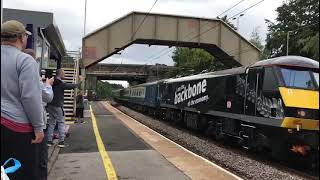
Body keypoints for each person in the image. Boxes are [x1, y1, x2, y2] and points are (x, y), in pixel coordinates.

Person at [1, 20, 44, 180]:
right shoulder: (25, 60)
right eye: (25, 36)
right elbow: (30, 97)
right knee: (19, 173)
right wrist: (39, 128)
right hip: (16, 129)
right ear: (20, 37)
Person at [23, 48, 54, 180]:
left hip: (16, 124)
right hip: (35, 125)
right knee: (40, 160)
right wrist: (47, 85)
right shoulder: (33, 75)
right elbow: (47, 97)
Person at [46, 69, 84, 148]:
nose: (65, 75)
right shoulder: (60, 83)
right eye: (64, 73)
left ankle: (48, 141)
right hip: (57, 106)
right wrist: (80, 81)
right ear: (60, 74)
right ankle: (61, 141)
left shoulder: (52, 82)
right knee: (61, 122)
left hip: (49, 105)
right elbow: (74, 86)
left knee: (51, 123)